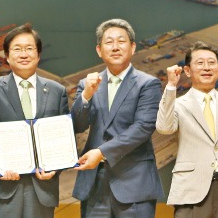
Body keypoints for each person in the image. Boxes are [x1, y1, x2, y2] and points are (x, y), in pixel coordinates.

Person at [0, 23, 69, 218]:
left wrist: (55, 168)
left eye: (29, 48)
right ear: (7, 56)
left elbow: (64, 138)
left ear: (38, 55)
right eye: (17, 49)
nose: (23, 54)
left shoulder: (57, 91)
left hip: (41, 188)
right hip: (3, 187)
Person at [70, 18, 164, 218]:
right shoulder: (87, 83)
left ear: (132, 47)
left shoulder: (148, 84)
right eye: (109, 42)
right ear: (99, 50)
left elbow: (143, 127)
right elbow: (77, 126)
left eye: (121, 41)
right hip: (94, 185)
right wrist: (86, 95)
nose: (115, 47)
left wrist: (101, 152)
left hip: (134, 184)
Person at [156, 41, 218, 218]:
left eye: (211, 63)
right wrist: (171, 86)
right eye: (200, 63)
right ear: (187, 70)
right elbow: (164, 128)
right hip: (191, 191)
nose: (206, 67)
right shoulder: (178, 104)